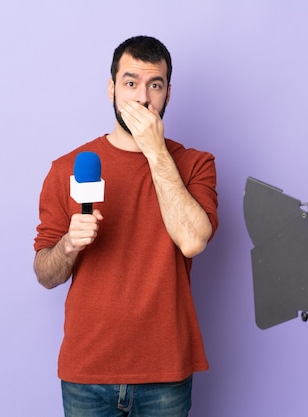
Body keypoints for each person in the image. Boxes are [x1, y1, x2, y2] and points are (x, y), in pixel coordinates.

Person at [33, 35, 219, 417]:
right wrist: (69, 244)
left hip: (165, 371)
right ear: (111, 88)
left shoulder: (196, 164)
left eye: (155, 85)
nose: (141, 98)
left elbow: (193, 241)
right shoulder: (66, 168)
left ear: (169, 94)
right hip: (87, 370)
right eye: (130, 83)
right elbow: (45, 275)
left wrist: (154, 149)